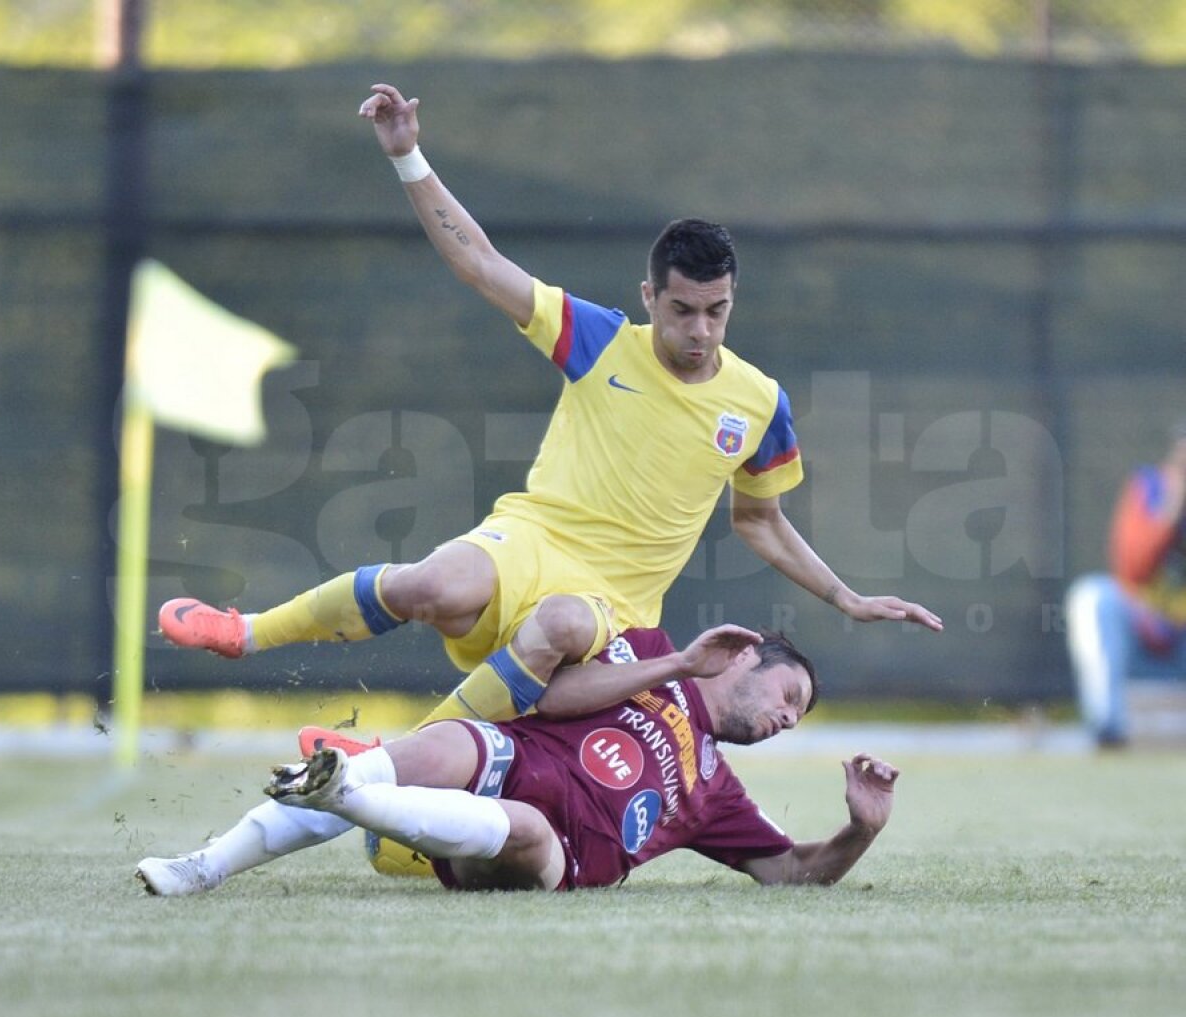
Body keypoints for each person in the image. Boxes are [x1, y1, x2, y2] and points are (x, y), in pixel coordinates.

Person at [158, 79, 942, 734]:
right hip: (535, 535)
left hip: (613, 602)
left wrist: (846, 596)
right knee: (434, 586)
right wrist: (406, 155)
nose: (699, 330)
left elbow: (758, 520)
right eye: (682, 310)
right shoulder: (601, 341)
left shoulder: (761, 402)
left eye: (717, 310)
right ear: (649, 298)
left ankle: (406, 754)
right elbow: (481, 265)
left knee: (561, 628)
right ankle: (245, 631)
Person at [136, 625, 899, 895]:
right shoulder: (655, 651)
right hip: (511, 754)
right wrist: (671, 670)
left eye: (797, 718)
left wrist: (859, 831)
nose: (786, 720)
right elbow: (558, 693)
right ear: (746, 654)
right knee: (451, 741)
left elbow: (792, 872)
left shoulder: (718, 792)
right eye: (789, 695)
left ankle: (345, 789)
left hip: (554, 853)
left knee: (528, 827)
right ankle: (204, 865)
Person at [1065, 419, 1186, 747]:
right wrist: (1171, 511)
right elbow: (1132, 566)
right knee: (1092, 596)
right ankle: (1109, 730)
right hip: (1147, 638)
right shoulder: (1150, 487)